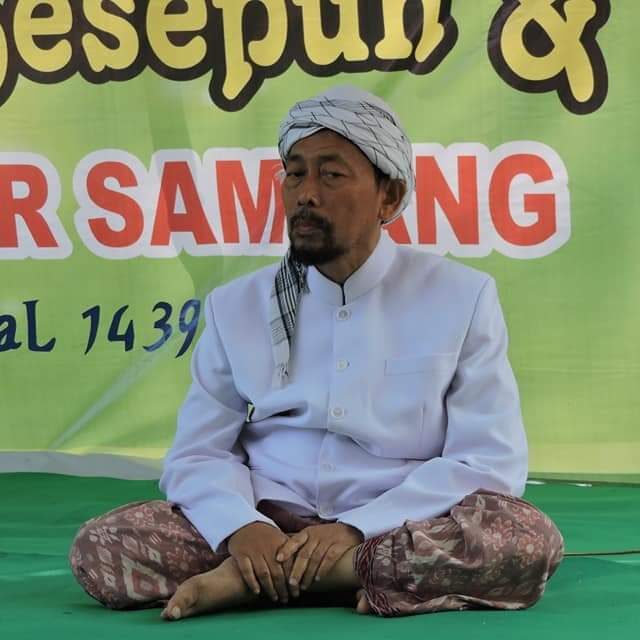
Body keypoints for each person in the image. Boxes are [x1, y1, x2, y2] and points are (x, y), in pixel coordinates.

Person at [69, 85, 564, 620]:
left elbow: (487, 462)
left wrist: (357, 528)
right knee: (102, 547)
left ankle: (269, 580)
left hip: (394, 523)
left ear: (389, 196)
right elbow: (198, 453)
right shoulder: (235, 306)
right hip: (267, 520)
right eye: (295, 173)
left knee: (524, 539)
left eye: (331, 175)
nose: (306, 194)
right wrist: (242, 528)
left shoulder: (461, 297)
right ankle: (347, 577)